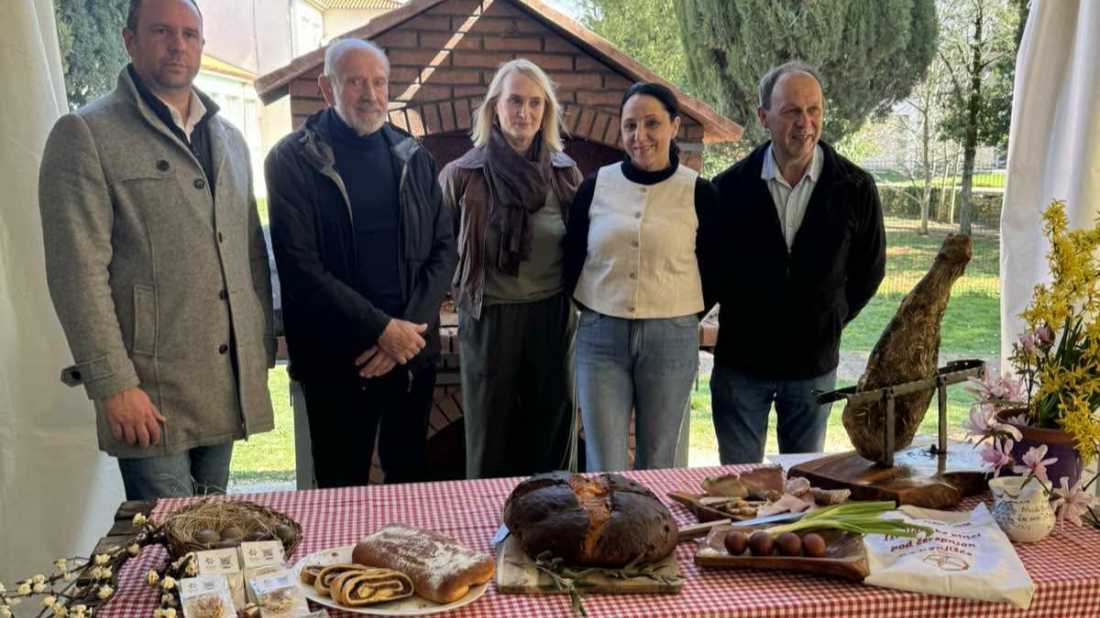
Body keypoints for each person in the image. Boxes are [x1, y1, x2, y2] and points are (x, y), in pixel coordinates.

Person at [39, 0, 276, 500]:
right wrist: (113, 384)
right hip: (148, 392)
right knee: (167, 557)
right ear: (130, 40)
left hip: (223, 386)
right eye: (162, 31)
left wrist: (258, 353)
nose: (178, 45)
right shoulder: (86, 134)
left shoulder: (230, 139)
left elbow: (250, 255)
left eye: (190, 34)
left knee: (215, 548)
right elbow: (76, 273)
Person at [265, 39, 456, 488]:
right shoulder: (291, 161)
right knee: (339, 487)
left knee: (409, 481)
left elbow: (444, 249)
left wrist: (403, 332)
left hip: (409, 358)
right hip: (335, 361)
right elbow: (300, 268)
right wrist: (381, 330)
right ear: (327, 88)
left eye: (378, 82)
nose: (369, 93)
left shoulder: (413, 156)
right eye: (354, 82)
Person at [710, 61, 886, 464]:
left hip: (812, 369)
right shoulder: (727, 190)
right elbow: (712, 271)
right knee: (739, 488)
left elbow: (869, 271)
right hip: (741, 368)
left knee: (805, 486)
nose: (804, 123)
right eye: (791, 111)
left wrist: (830, 314)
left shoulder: (855, 188)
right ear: (764, 117)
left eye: (813, 110)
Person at [439, 59, 583, 480]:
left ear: (546, 112)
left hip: (552, 318)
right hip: (489, 319)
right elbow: (436, 249)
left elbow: (586, 244)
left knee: (552, 438)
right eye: (515, 100)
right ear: (495, 108)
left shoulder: (565, 174)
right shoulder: (462, 174)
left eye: (535, 103)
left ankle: (555, 525)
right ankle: (487, 530)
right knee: (490, 440)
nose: (525, 112)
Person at [564, 82, 720, 472]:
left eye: (652, 123)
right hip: (601, 336)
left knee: (658, 459)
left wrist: (682, 314)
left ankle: (651, 531)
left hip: (671, 337)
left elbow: (716, 268)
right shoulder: (594, 186)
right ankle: (608, 532)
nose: (641, 136)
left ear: (674, 126)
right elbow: (572, 257)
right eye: (630, 125)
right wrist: (596, 307)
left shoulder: (700, 193)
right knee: (603, 460)